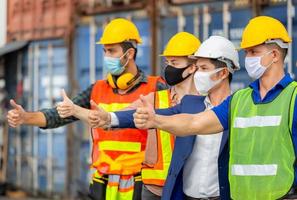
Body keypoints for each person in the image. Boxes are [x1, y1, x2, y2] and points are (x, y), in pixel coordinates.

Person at [134, 16, 297, 200]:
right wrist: (155, 120)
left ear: (274, 55)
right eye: (247, 53)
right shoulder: (239, 100)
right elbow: (194, 122)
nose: (248, 58)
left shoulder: (293, 97)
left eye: (253, 52)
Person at [6, 18, 167, 200]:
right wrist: (26, 118)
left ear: (129, 54)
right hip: (103, 183)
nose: (106, 57)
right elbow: (58, 115)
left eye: (112, 51)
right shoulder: (96, 89)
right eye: (105, 51)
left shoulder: (156, 88)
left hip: (139, 183)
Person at [57, 32, 201, 200]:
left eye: (174, 62)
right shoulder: (155, 98)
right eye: (167, 62)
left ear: (192, 67)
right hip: (154, 188)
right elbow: (122, 116)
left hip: (193, 188)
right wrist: (89, 113)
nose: (168, 67)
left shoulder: (210, 103)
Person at [111, 36, 239, 200]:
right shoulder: (190, 104)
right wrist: (110, 118)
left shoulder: (238, 108)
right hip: (179, 194)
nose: (198, 73)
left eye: (204, 68)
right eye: (198, 68)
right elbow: (148, 115)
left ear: (222, 73)